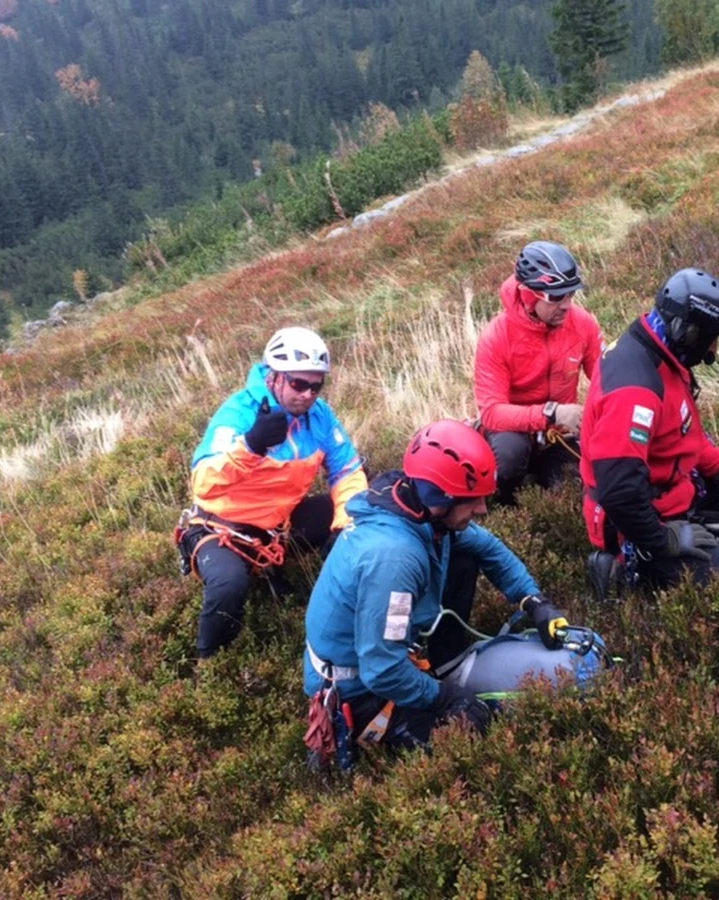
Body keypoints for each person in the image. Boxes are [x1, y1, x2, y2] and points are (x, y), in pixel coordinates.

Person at [303, 419, 570, 751]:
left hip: (374, 657)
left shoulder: (418, 510)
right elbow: (382, 672)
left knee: (465, 552)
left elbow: (488, 548)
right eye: (472, 500)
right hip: (356, 690)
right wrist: (445, 697)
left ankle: (447, 662)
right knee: (475, 725)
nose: (483, 509)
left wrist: (534, 601)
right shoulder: (395, 558)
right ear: (440, 497)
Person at [178, 326, 367, 658]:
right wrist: (251, 446)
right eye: (298, 384)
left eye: (316, 385)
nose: (308, 394)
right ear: (273, 378)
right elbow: (203, 484)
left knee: (365, 513)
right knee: (228, 587)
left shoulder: (319, 417)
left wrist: (344, 526)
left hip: (278, 526)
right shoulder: (238, 414)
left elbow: (347, 471)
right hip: (220, 526)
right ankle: (207, 660)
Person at [580, 268, 719, 598]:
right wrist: (666, 540)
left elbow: (679, 433)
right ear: (688, 332)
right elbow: (619, 491)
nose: (714, 351)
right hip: (632, 521)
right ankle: (622, 566)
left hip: (662, 483)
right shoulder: (635, 391)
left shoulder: (660, 351)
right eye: (712, 338)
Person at [474, 240, 604, 505]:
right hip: (512, 431)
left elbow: (606, 378)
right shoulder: (496, 337)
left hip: (560, 432)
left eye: (571, 294)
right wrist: (551, 413)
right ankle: (505, 510)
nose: (567, 305)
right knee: (509, 459)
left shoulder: (583, 324)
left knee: (577, 486)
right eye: (556, 297)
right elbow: (491, 413)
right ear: (528, 294)